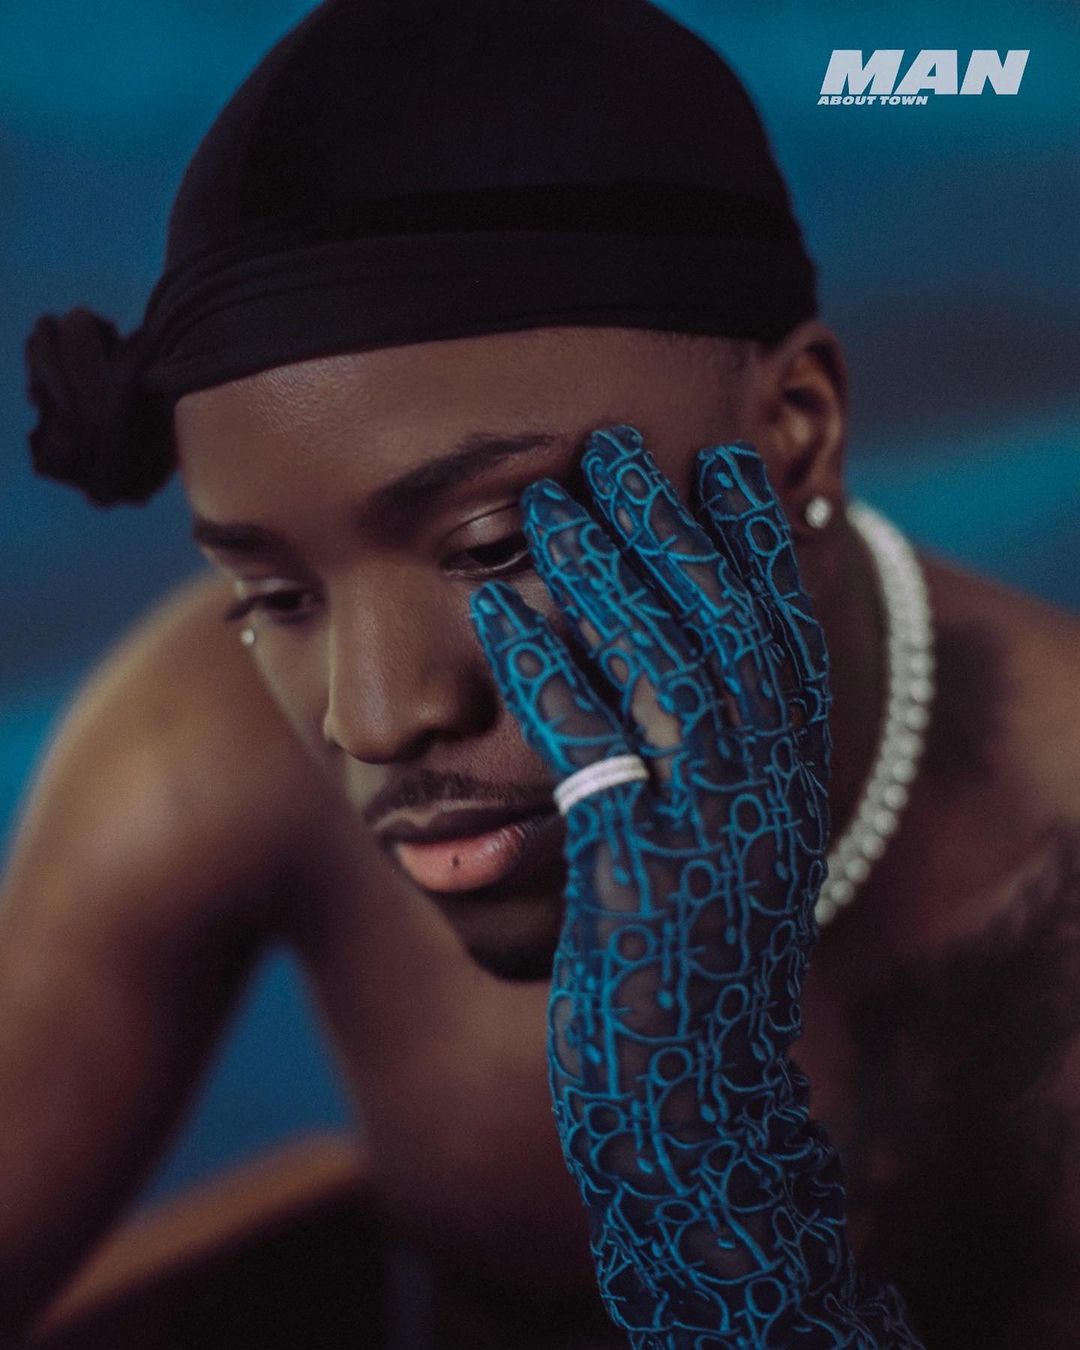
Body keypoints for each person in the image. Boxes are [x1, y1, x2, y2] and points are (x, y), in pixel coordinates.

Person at [4, 0, 1079, 1344]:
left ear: (795, 432)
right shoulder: (201, 749)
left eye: (493, 545)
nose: (374, 716)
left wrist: (700, 1157)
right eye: (275, 595)